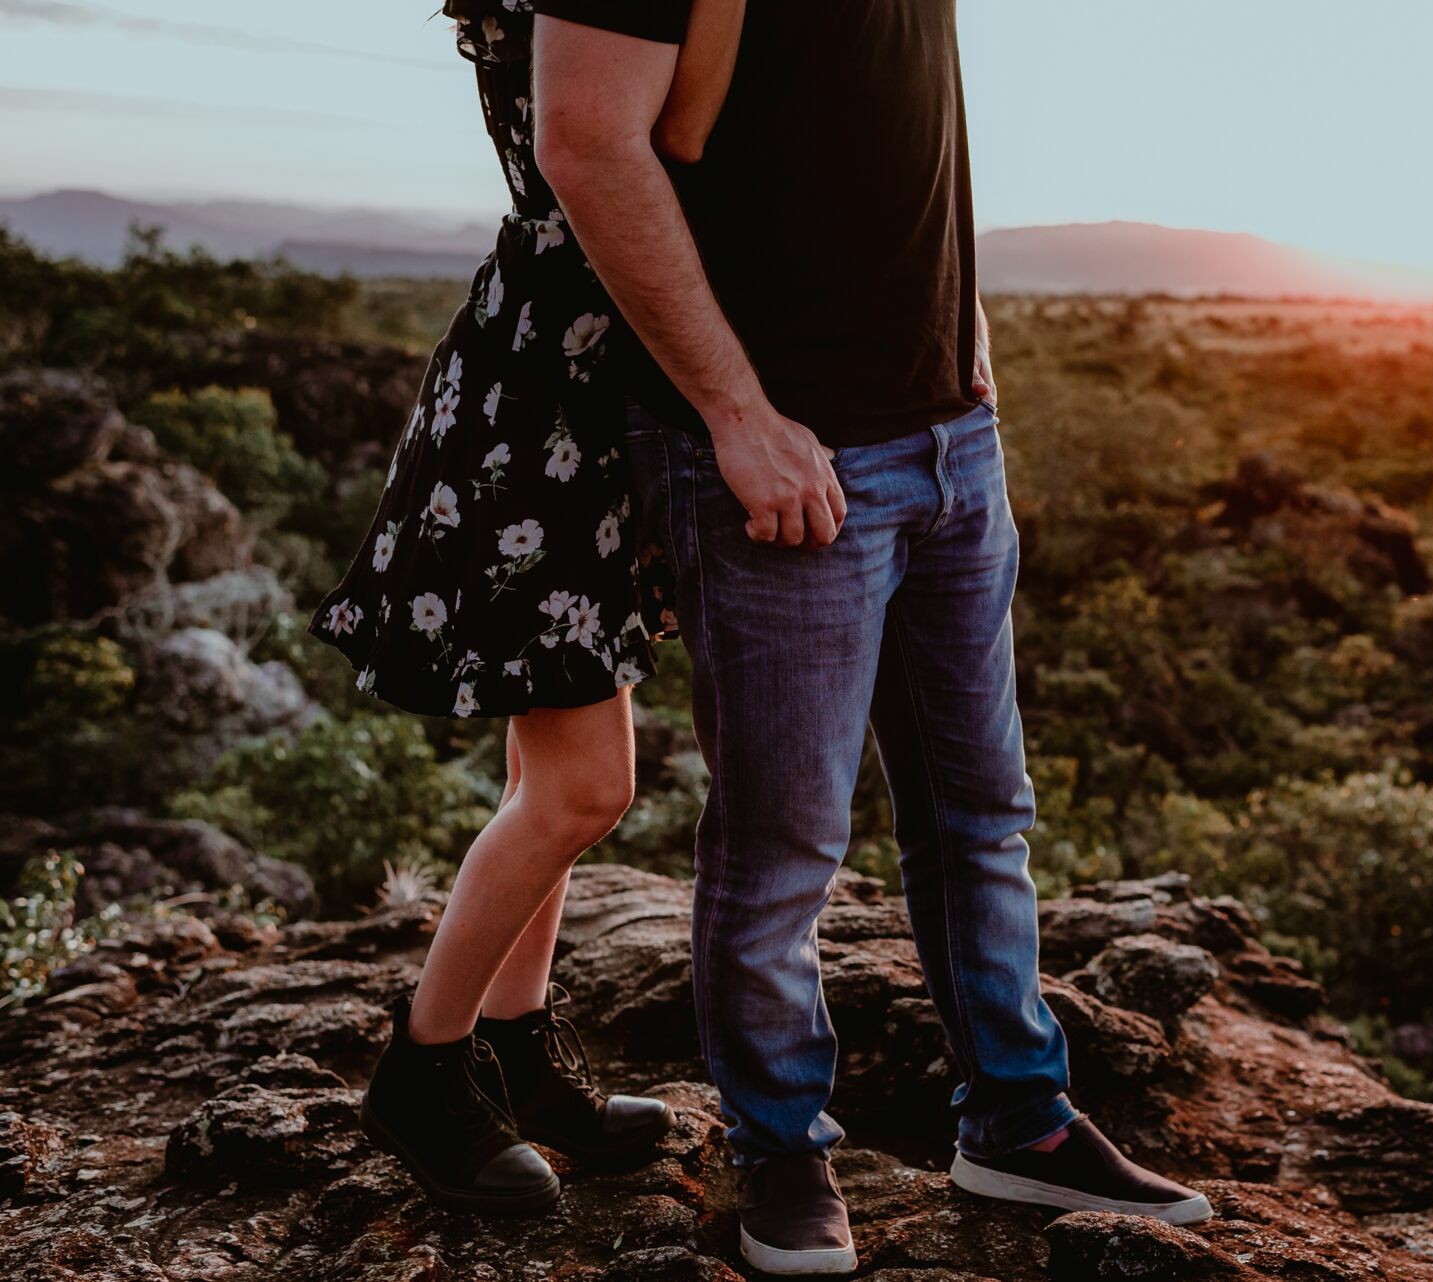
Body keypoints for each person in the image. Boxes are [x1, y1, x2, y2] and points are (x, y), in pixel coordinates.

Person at [530, 1, 1213, 1274]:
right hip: (784, 454)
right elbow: (584, 136)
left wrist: (970, 352)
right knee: (786, 837)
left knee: (979, 811)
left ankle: (1019, 1117)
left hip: (953, 432)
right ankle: (779, 1144)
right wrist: (736, 413)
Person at [305, 0, 746, 1215]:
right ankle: (424, 1064)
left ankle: (517, 1043)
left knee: (544, 767)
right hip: (548, 395)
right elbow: (692, 131)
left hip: (558, 373)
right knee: (583, 786)